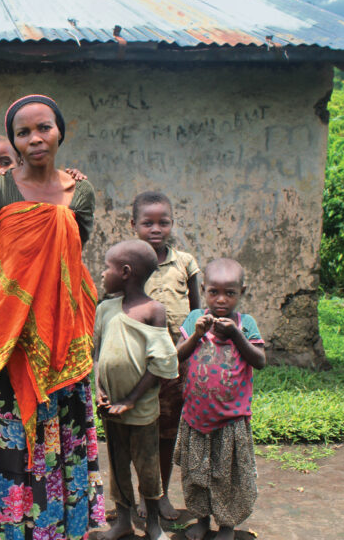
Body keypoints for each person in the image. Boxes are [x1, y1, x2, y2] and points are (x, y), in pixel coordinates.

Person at [0, 95, 106, 539]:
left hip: (61, 339)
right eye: (23, 132)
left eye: (44, 128)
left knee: (60, 443)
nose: (35, 138)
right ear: (15, 141)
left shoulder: (84, 192)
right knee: (4, 445)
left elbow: (68, 263)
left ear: (60, 131)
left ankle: (56, 529)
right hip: (4, 338)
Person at [174, 258, 266, 540]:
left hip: (230, 421)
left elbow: (260, 360)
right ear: (203, 289)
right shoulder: (194, 319)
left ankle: (226, 526)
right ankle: (201, 520)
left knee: (226, 478)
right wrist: (197, 335)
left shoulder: (245, 324)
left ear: (242, 292)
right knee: (195, 474)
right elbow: (177, 356)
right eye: (213, 292)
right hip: (195, 418)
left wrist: (237, 335)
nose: (221, 300)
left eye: (230, 293)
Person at [93, 240, 178, 540]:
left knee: (147, 469)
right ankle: (123, 521)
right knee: (117, 467)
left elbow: (161, 365)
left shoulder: (153, 311)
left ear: (126, 272)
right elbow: (97, 355)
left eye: (107, 268)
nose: (102, 274)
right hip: (111, 409)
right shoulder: (105, 309)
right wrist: (99, 390)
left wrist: (131, 399)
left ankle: (153, 525)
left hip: (140, 411)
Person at [130, 191, 200, 520]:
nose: (156, 229)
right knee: (138, 429)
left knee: (167, 431)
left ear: (172, 224)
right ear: (134, 225)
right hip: (138, 360)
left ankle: (161, 497)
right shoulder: (128, 262)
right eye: (148, 223)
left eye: (163, 222)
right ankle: (140, 497)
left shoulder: (185, 262)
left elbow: (198, 313)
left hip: (176, 360)